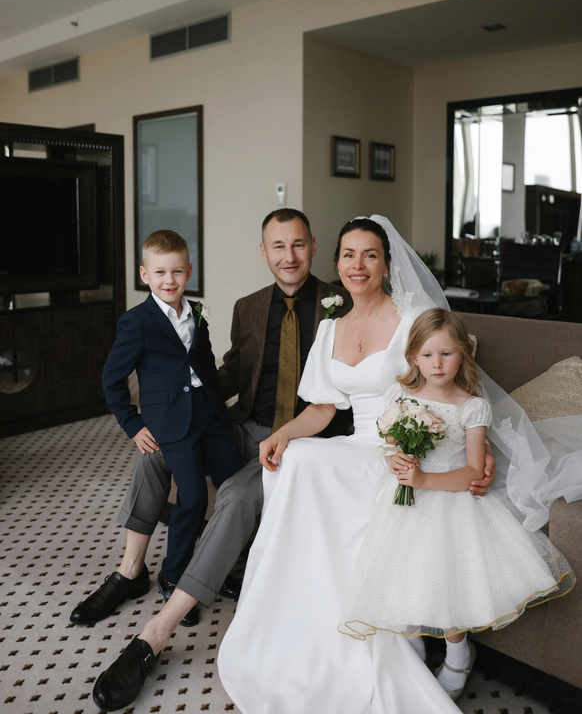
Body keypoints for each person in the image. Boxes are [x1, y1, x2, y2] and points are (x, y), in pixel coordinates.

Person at [217, 216, 499, 714]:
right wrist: (282, 435)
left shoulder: (414, 318)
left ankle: (400, 637)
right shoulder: (331, 327)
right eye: (349, 254)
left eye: (370, 255)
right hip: (360, 441)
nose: (359, 265)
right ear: (337, 263)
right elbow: (324, 409)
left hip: (410, 448)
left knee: (315, 465)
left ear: (387, 264)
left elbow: (453, 385)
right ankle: (306, 614)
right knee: (298, 458)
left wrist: (482, 448)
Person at [90, 208, 361, 711]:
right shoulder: (248, 306)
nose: (288, 256)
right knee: (158, 452)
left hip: (304, 438)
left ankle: (159, 629)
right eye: (277, 246)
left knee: (234, 493)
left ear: (312, 246)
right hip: (244, 425)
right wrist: (182, 411)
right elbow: (230, 371)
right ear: (264, 252)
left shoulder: (343, 301)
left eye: (297, 244)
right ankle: (131, 569)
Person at [339, 308, 574, 702]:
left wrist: (425, 480)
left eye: (447, 354)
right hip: (402, 503)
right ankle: (410, 646)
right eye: (428, 354)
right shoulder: (399, 396)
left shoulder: (472, 406)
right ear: (413, 357)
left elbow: (472, 471)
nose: (437, 364)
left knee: (445, 579)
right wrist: (395, 460)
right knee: (403, 572)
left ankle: (459, 654)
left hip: (450, 501)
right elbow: (391, 445)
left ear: (463, 354)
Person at [71, 229, 242, 634]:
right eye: (161, 272)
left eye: (177, 272)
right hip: (171, 423)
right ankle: (174, 575)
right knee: (193, 497)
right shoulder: (137, 321)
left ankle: (222, 567)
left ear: (189, 272)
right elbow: (112, 378)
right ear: (145, 274)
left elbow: (203, 361)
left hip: (210, 415)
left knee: (234, 487)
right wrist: (132, 424)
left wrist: (218, 404)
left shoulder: (197, 311)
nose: (170, 280)